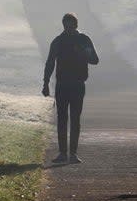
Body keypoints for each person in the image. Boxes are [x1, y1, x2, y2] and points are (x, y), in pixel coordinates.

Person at [42, 12, 99, 164]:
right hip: (62, 85)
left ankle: (72, 153)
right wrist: (45, 83)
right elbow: (50, 63)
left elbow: (95, 60)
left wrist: (82, 54)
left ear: (75, 25)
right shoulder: (58, 41)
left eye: (70, 26)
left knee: (75, 119)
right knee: (62, 119)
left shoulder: (83, 40)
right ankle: (62, 153)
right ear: (63, 25)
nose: (68, 28)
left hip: (78, 84)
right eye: (66, 26)